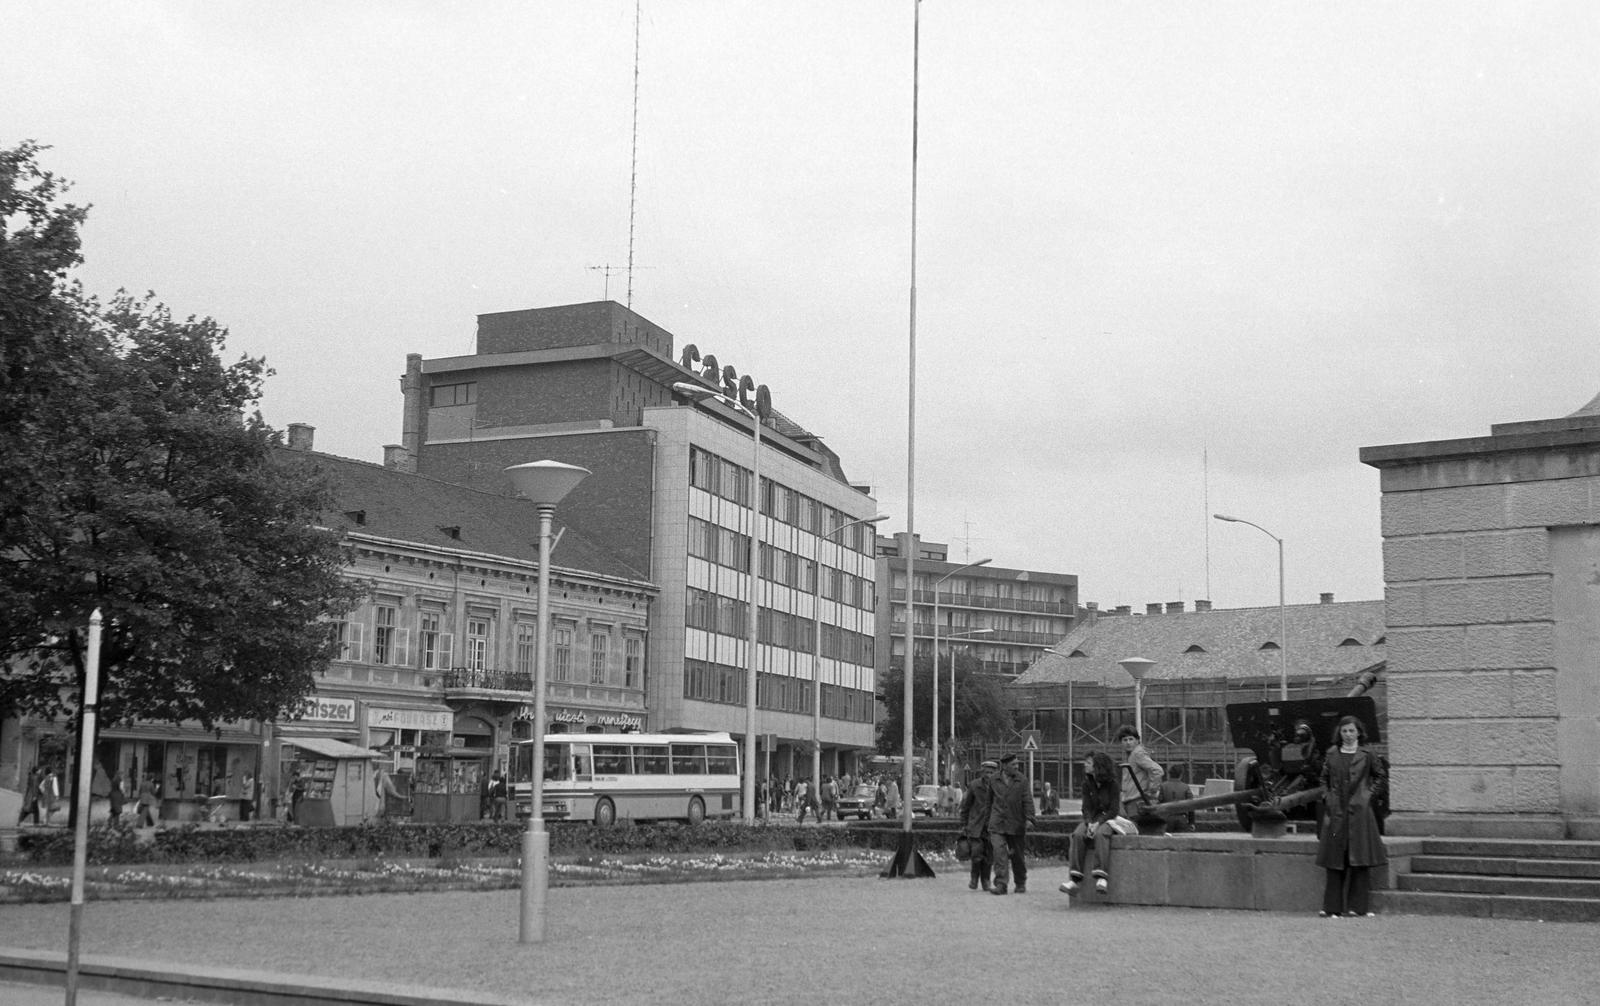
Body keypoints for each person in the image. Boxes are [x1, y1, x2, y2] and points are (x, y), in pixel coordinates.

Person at [1317, 715, 1388, 918]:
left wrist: (1367, 796)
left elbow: (1381, 776)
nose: (1348, 735)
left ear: (1358, 732)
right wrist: (1327, 797)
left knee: (1359, 859)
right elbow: (1323, 778)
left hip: (1359, 812)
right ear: (1339, 733)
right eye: (1344, 731)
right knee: (1335, 859)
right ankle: (1332, 907)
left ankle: (1357, 907)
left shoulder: (1368, 754)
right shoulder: (1332, 753)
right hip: (1336, 811)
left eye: (1351, 731)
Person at [1061, 751, 1120, 896]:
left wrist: (1099, 823)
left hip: (1108, 819)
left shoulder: (1113, 784)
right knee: (1078, 834)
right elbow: (1086, 807)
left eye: (1088, 762)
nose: (1084, 765)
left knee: (1101, 835)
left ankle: (1101, 877)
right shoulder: (1087, 784)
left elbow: (1114, 810)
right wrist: (1089, 823)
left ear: (1098, 766)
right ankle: (1074, 880)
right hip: (1091, 819)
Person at [987, 754, 1035, 895]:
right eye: (1013, 764)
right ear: (1005, 766)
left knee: (1017, 856)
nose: (1017, 767)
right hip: (997, 823)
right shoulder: (993, 780)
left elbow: (1028, 800)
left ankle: (1020, 882)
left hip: (1016, 823)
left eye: (1017, 764)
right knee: (999, 853)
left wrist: (1030, 818)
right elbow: (989, 802)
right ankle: (1001, 884)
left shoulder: (1022, 780)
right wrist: (986, 821)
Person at [958, 760, 999, 891]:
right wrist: (964, 824)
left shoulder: (999, 787)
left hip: (991, 827)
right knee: (976, 855)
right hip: (976, 826)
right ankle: (974, 878)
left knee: (988, 856)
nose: (989, 774)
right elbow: (966, 806)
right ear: (982, 772)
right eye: (987, 772)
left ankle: (986, 880)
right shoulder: (974, 785)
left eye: (992, 772)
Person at [1117, 725, 1163, 818]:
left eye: (1131, 739)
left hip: (1136, 801)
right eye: (1125, 740)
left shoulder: (1137, 754)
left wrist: (1151, 792)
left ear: (1137, 740)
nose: (1128, 743)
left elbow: (1157, 770)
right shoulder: (1130, 756)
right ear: (1121, 742)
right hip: (1131, 801)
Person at [1157, 764, 1193, 833]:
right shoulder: (1185, 787)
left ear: (1170, 774)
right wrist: (1192, 822)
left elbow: (1159, 803)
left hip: (1166, 818)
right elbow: (1191, 806)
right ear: (1181, 774)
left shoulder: (1163, 786)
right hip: (1182, 818)